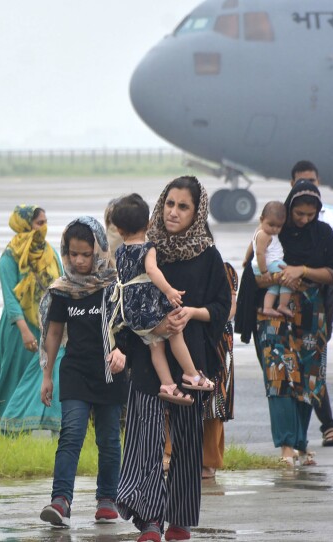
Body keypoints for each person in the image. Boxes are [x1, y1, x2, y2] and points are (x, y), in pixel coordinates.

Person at [116, 177, 231, 542]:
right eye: (169, 204)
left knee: (185, 441)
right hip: (148, 356)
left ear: (197, 212)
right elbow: (122, 300)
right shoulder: (147, 249)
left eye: (183, 206)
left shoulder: (208, 255)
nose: (173, 212)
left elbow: (222, 308)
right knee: (145, 440)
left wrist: (191, 313)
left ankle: (178, 521)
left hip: (190, 360)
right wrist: (127, 340)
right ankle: (150, 519)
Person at [37, 216, 128, 528]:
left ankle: (107, 499)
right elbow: (53, 333)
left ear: (99, 250)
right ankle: (60, 500)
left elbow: (128, 326)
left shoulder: (115, 287)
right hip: (75, 370)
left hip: (110, 373)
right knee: (72, 433)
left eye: (85, 254)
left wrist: (122, 353)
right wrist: (47, 375)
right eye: (72, 254)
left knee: (108, 438)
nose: (78, 261)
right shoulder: (64, 290)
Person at [254, 180, 333, 467]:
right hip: (276, 314)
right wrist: (280, 277)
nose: (304, 220)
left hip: (311, 314)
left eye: (310, 215)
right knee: (279, 377)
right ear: (289, 208)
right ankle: (286, 446)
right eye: (299, 214)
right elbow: (256, 273)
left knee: (308, 378)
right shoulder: (273, 230)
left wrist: (301, 269)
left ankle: (302, 445)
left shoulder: (324, 233)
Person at [107, 193, 213, 406]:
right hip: (148, 308)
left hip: (131, 313)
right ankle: (190, 374)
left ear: (119, 230)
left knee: (155, 345)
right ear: (149, 223)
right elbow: (152, 271)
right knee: (175, 333)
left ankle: (167, 385)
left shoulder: (119, 251)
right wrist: (169, 291)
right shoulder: (148, 248)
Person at [0, 204, 64, 434]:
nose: (44, 227)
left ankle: (58, 436)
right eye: (39, 223)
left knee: (53, 381)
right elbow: (10, 297)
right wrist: (24, 330)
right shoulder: (10, 256)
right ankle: (8, 433)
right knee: (13, 380)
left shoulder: (50, 253)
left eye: (46, 222)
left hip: (47, 330)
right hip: (18, 331)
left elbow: (61, 285)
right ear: (25, 224)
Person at [290, 159, 333, 447]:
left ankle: (324, 426)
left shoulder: (331, 218)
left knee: (314, 367)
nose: (304, 218)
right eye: (303, 181)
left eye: (313, 181)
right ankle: (307, 433)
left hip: (320, 306)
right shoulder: (283, 219)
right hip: (285, 309)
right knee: (296, 371)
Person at [202, 261, 238, 479]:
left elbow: (231, 306)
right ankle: (169, 454)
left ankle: (209, 460)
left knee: (215, 401)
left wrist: (214, 318)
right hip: (186, 331)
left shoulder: (223, 268)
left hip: (218, 337)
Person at [245, 201, 292, 317]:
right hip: (269, 265)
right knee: (289, 277)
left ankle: (267, 307)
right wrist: (264, 271)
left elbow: (251, 245)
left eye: (279, 226)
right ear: (261, 220)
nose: (275, 229)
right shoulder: (264, 235)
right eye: (271, 225)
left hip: (265, 265)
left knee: (274, 287)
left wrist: (246, 259)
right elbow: (260, 253)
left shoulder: (259, 230)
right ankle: (283, 305)